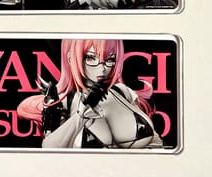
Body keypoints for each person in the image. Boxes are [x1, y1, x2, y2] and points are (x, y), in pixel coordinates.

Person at [17, 39, 162, 149]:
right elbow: (49, 148)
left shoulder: (123, 92)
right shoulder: (64, 101)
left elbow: (154, 139)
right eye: (91, 58)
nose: (103, 68)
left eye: (110, 59)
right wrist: (82, 113)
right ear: (71, 58)